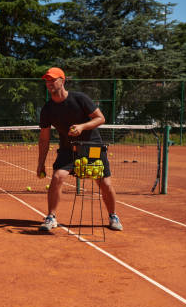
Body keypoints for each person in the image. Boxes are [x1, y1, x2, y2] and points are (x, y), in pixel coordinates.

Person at [36, 67, 123, 232]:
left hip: (92, 147)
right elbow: (44, 138)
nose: (49, 83)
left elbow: (100, 118)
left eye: (53, 79)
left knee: (104, 183)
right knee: (57, 177)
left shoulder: (80, 98)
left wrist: (82, 127)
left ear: (63, 81)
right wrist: (40, 163)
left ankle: (113, 216)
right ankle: (51, 217)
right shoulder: (47, 109)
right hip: (68, 149)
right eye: (47, 80)